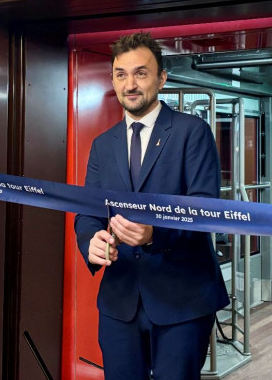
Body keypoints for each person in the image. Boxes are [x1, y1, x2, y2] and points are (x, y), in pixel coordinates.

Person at [74, 32, 229, 380]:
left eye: (141, 73)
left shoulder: (193, 132)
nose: (130, 84)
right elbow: (88, 212)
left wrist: (153, 234)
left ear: (161, 78)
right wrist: (91, 240)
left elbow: (205, 210)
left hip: (182, 300)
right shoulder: (103, 145)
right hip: (119, 300)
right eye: (120, 74)